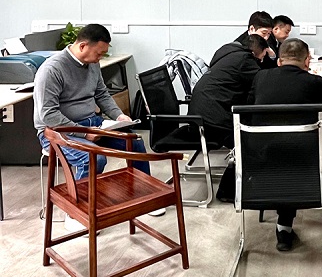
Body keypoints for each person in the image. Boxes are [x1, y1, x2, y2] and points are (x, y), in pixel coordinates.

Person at [33, 24, 163, 230]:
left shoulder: (92, 64)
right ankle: (76, 214)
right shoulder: (52, 70)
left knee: (135, 142)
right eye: (99, 53)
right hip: (56, 132)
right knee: (93, 158)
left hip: (92, 124)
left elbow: (102, 94)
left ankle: (143, 198)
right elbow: (48, 115)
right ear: (83, 46)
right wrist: (83, 133)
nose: (100, 58)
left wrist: (118, 116)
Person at [248, 38, 322, 251]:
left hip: (264, 157)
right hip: (308, 157)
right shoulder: (316, 82)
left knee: (287, 159)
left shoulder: (260, 77)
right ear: (307, 61)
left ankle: (284, 227)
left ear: (279, 61)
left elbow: (249, 108)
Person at [189, 34, 268, 149]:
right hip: (213, 121)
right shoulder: (245, 60)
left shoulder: (229, 54)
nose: (262, 60)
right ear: (254, 53)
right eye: (262, 56)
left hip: (201, 115)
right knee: (254, 136)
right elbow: (262, 82)